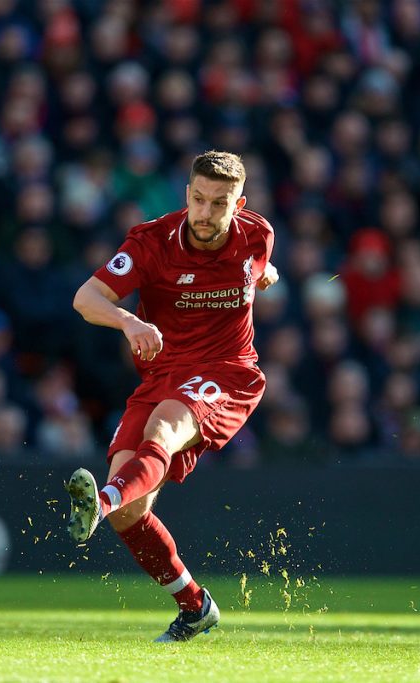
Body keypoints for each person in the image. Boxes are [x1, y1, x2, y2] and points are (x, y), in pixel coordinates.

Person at [68, 150, 279, 642]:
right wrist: (129, 320)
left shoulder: (257, 235)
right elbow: (86, 298)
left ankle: (99, 501)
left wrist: (269, 275)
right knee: (131, 514)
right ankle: (195, 606)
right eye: (198, 200)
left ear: (239, 203)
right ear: (186, 194)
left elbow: (263, 266)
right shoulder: (151, 242)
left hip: (228, 374)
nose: (205, 214)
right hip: (163, 373)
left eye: (219, 203)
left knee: (163, 428)